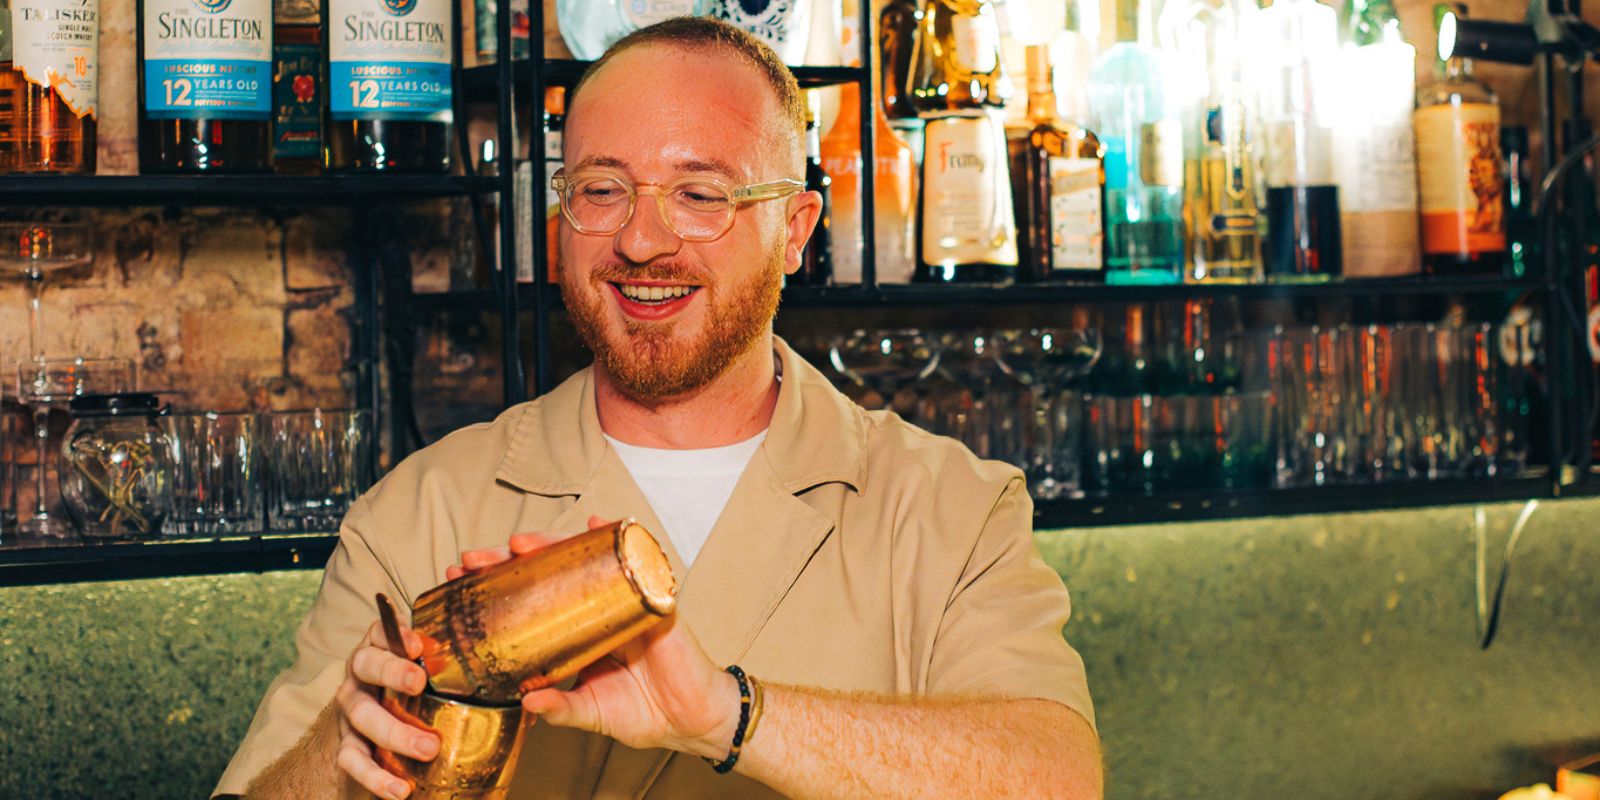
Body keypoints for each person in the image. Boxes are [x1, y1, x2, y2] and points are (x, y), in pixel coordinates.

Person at [216, 16, 1101, 800]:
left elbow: (1056, 780)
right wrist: (343, 749)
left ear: (795, 231)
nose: (641, 241)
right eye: (602, 190)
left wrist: (727, 715)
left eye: (700, 195)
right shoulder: (423, 509)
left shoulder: (952, 509)